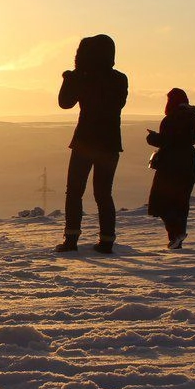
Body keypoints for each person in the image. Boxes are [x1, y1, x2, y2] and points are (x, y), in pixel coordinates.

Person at [56, 34, 128, 254]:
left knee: (75, 192)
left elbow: (64, 103)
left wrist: (69, 78)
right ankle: (107, 241)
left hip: (85, 142)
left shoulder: (83, 77)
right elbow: (119, 103)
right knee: (104, 194)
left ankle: (71, 239)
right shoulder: (120, 79)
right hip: (110, 143)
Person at [146, 88, 195, 250]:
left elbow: (168, 141)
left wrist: (153, 138)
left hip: (170, 166)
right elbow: (186, 140)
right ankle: (178, 236)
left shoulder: (171, 118)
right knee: (181, 203)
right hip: (189, 165)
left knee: (161, 203)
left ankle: (175, 234)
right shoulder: (192, 118)